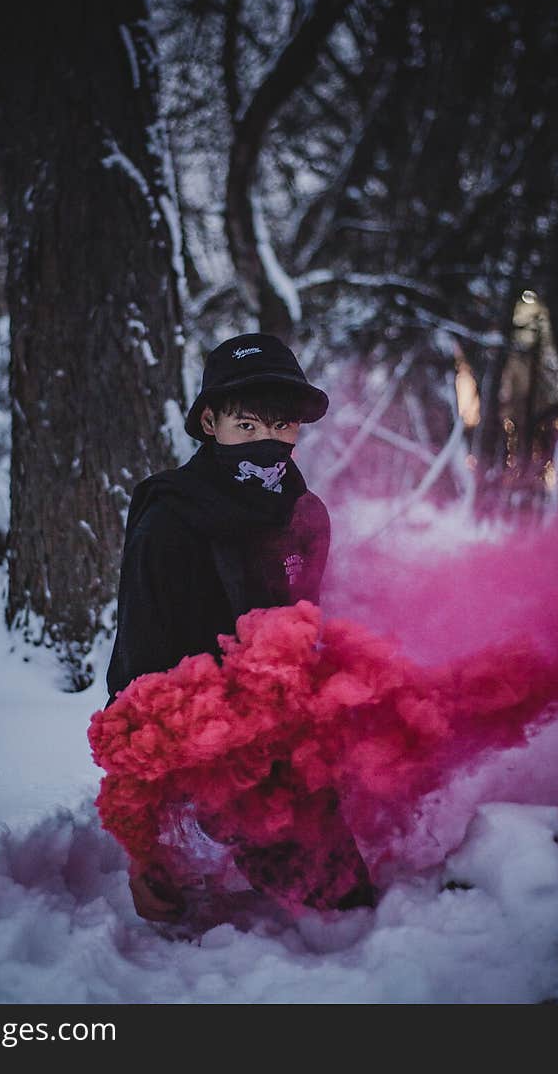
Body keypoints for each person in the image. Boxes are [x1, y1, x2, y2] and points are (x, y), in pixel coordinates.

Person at [105, 333, 374, 922]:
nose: (266, 443)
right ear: (210, 423)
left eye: (281, 427)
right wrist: (141, 848)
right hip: (201, 746)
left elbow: (305, 635)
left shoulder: (306, 515)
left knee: (353, 891)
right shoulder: (169, 521)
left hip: (280, 736)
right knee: (339, 907)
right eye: (246, 426)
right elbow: (137, 677)